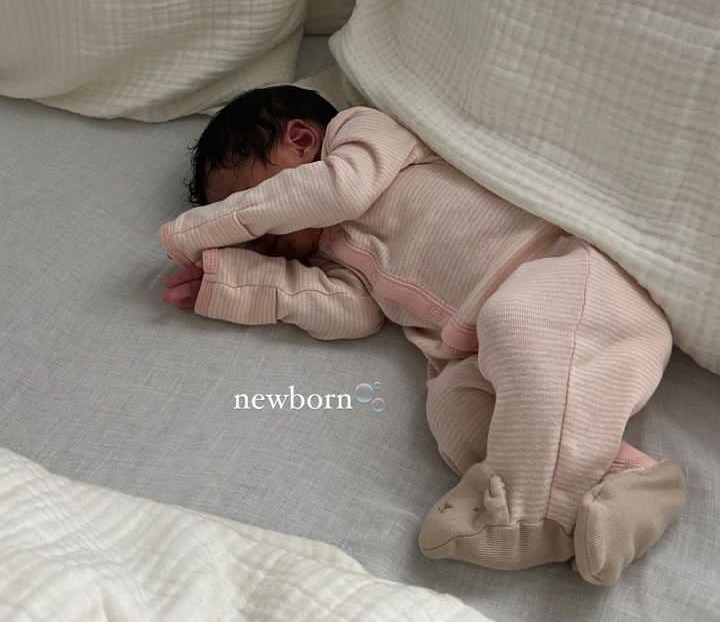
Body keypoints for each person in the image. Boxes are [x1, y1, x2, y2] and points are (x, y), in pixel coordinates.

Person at [160, 85, 686, 585]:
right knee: (453, 407)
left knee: (518, 326)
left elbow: (339, 188)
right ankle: (629, 483)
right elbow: (352, 313)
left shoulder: (363, 138)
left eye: (249, 210)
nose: (253, 236)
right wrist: (230, 281)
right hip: (482, 347)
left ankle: (530, 519)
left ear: (301, 140)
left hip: (570, 280)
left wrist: (203, 227)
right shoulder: (331, 252)